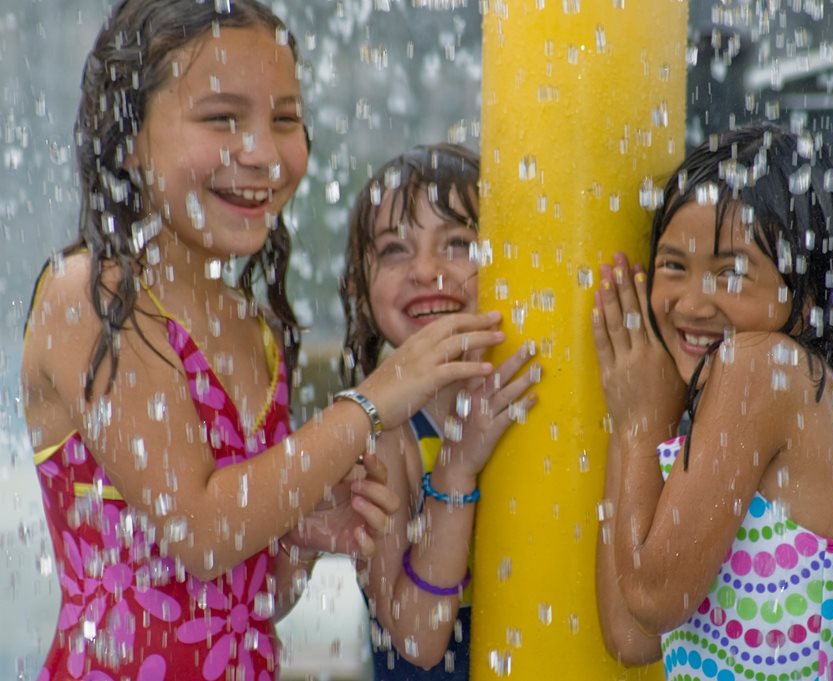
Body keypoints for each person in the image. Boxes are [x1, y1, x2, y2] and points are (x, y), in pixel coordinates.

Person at [20, 4, 509, 680]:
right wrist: (370, 402)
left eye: (284, 120)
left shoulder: (253, 328)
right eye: (223, 119)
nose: (261, 153)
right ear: (128, 136)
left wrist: (300, 540)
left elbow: (250, 599)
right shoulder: (93, 297)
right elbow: (199, 533)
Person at [592, 124, 833, 681]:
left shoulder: (764, 366)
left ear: (815, 291)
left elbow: (652, 593)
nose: (694, 302)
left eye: (733, 273)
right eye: (674, 265)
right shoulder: (788, 388)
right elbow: (631, 634)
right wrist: (637, 415)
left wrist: (640, 423)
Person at [337, 143, 540, 679]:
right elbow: (417, 636)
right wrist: (455, 465)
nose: (427, 270)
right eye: (394, 250)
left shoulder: (535, 387)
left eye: (458, 244)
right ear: (359, 288)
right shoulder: (382, 435)